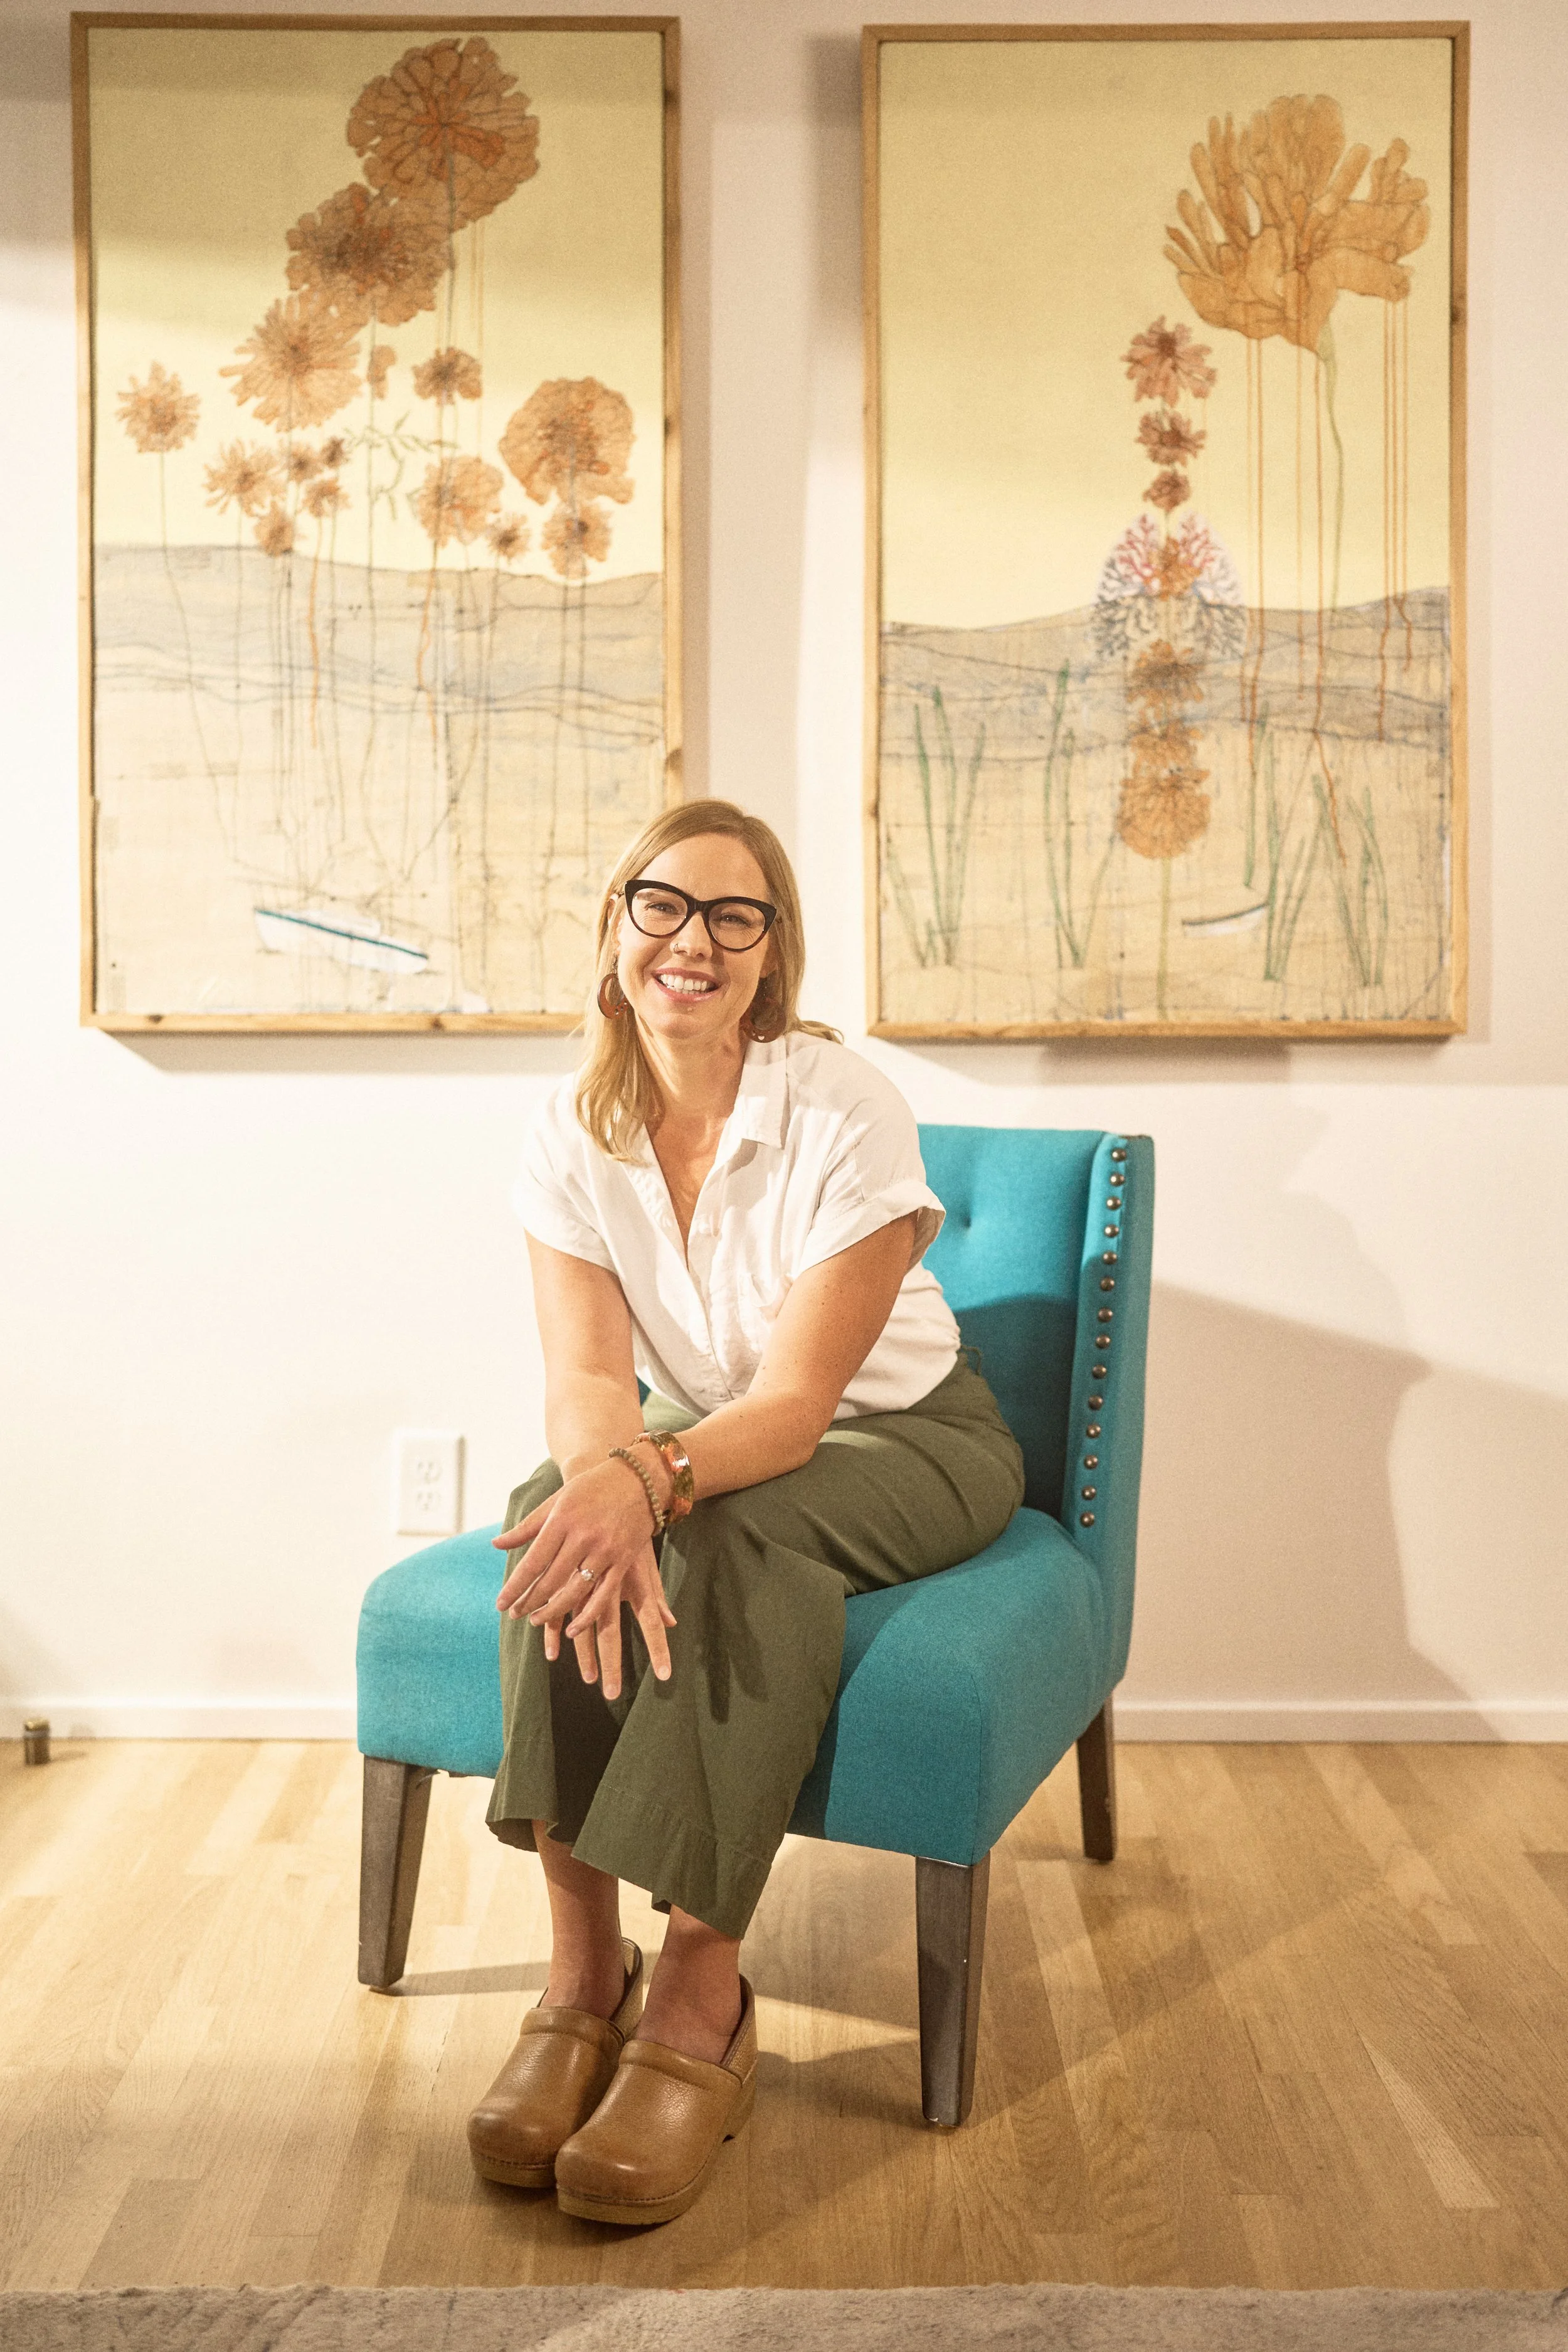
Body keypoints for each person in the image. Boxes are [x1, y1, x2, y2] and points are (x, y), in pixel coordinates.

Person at [467, 800, 1024, 2227]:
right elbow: (588, 1374)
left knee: (730, 1531)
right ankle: (584, 1975)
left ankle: (702, 1992)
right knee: (551, 1513)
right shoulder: (565, 1127)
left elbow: (792, 1409)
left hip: (904, 1436)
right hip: (699, 1432)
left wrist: (650, 1481)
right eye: (662, 905)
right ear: (614, 926)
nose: (692, 941)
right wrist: (605, 1479)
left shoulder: (836, 1104)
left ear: (771, 957)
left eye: (735, 916)